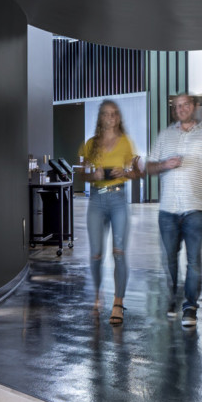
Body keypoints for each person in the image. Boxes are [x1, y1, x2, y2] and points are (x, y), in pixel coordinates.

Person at [146, 93, 202, 328]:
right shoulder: (165, 136)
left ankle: (190, 306)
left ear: (194, 107)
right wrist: (164, 164)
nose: (181, 109)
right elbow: (150, 166)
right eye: (177, 106)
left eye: (185, 105)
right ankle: (173, 297)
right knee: (169, 259)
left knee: (194, 260)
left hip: (195, 207)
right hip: (168, 208)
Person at [79, 100, 140, 324]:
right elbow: (82, 173)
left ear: (118, 118)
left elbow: (135, 173)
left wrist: (124, 170)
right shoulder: (90, 144)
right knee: (96, 254)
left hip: (118, 199)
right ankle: (97, 295)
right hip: (96, 200)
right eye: (106, 114)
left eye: (114, 114)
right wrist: (91, 176)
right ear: (100, 118)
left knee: (119, 252)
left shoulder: (126, 143)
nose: (110, 118)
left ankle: (118, 303)